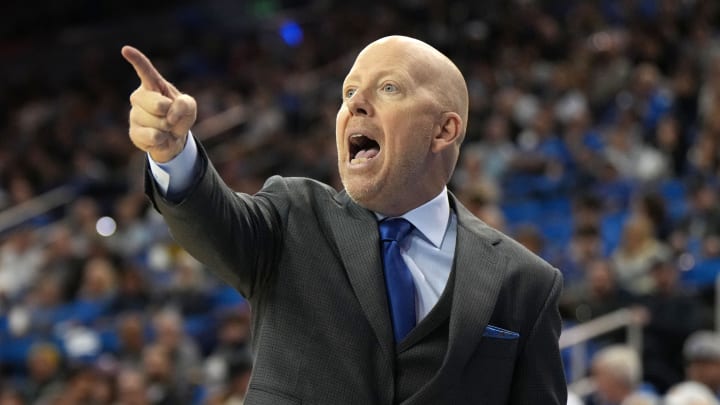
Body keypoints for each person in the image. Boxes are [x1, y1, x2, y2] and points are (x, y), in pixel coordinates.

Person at [121, 35, 566, 404]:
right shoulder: (292, 215)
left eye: (388, 88)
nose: (356, 105)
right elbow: (213, 218)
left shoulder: (525, 282)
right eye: (348, 92)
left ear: (443, 130)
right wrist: (172, 153)